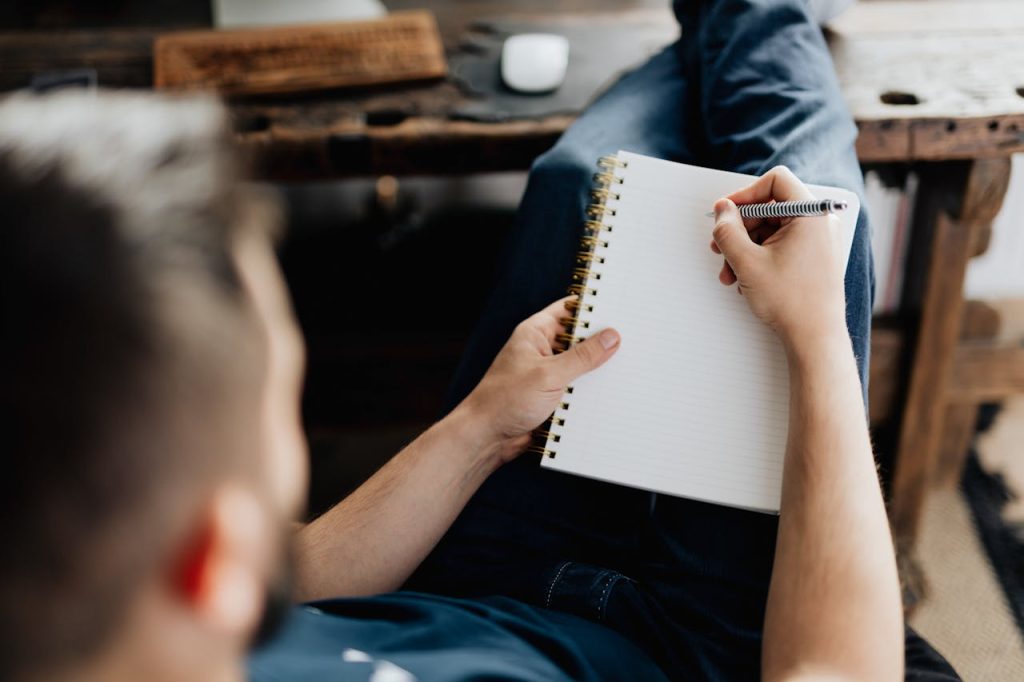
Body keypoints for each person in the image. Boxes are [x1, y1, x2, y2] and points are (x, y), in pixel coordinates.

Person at [0, 2, 961, 682]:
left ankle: (745, 14)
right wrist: (817, 340)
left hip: (482, 565)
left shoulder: (110, 618)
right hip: (703, 644)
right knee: (811, 205)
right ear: (217, 553)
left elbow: (304, 575)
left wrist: (480, 425)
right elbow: (833, 670)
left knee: (580, 180)